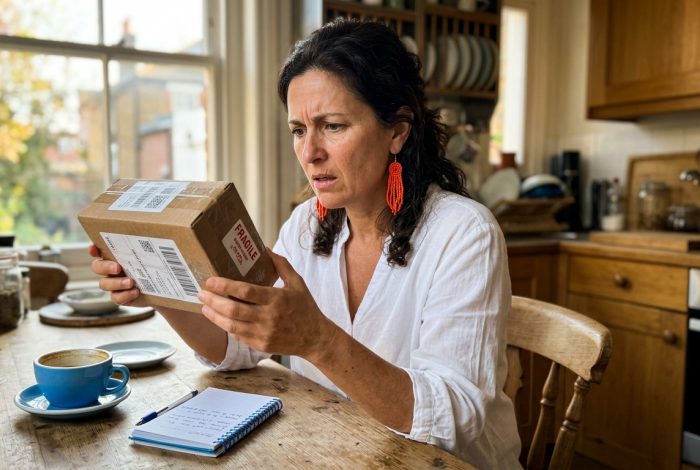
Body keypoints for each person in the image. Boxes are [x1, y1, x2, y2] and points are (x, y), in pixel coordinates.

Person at [90, 18, 521, 469]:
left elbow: (454, 418)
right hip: (340, 450)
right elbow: (238, 350)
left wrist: (318, 340)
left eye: (332, 126)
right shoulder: (305, 227)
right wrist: (158, 288)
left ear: (397, 129)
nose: (309, 152)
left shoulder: (464, 233)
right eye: (298, 130)